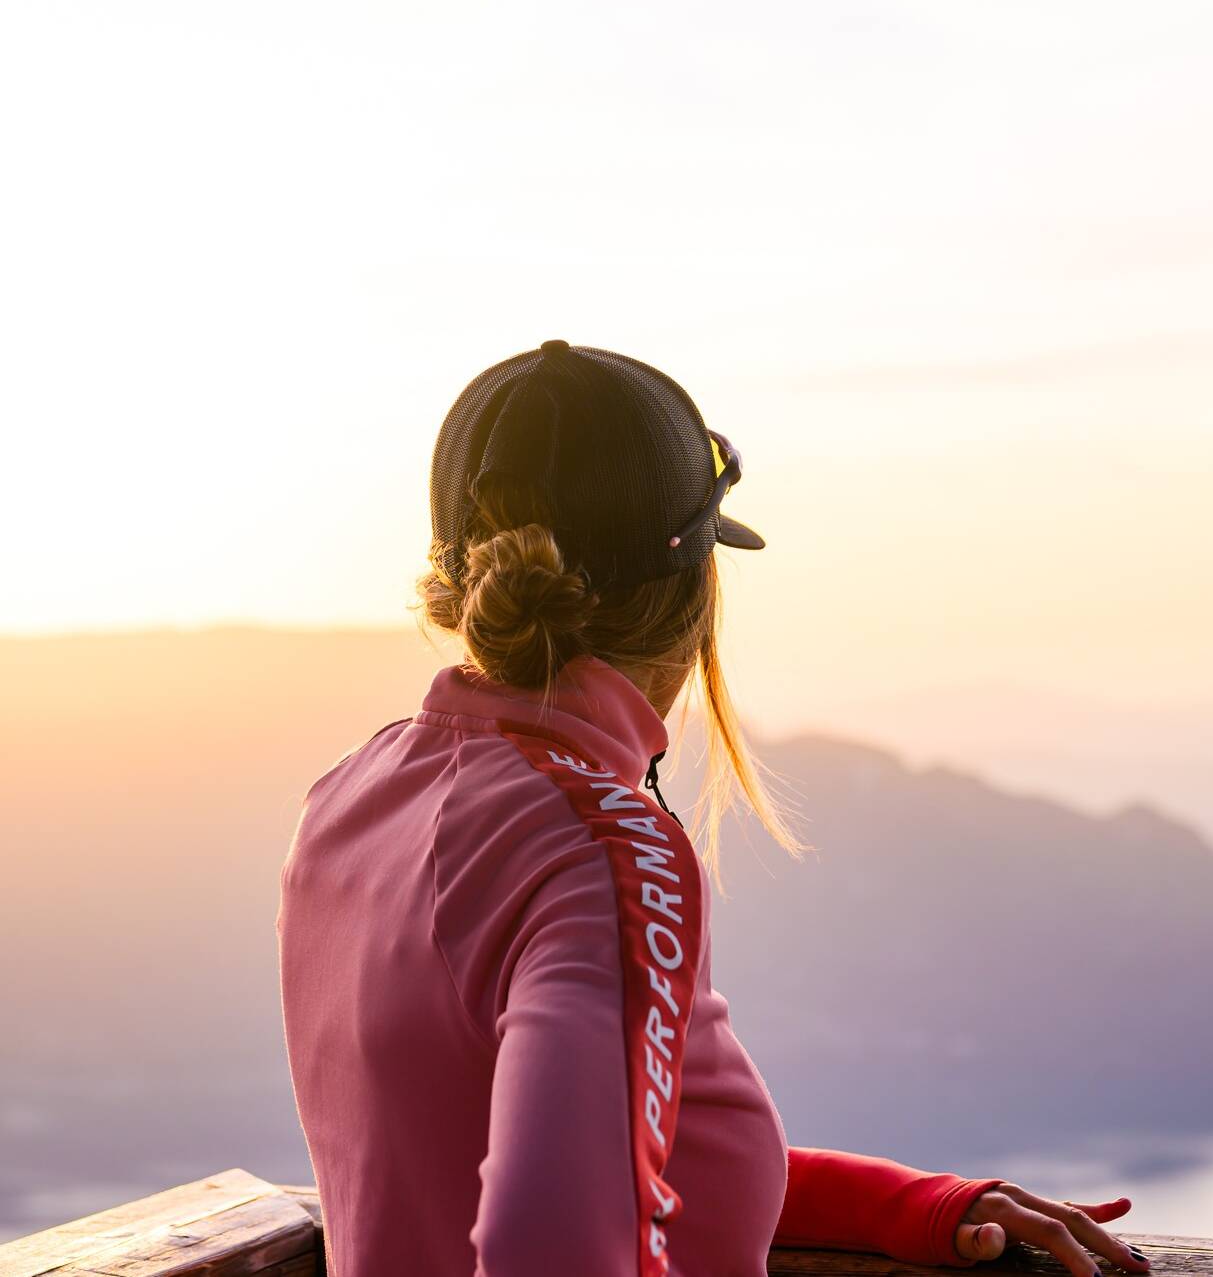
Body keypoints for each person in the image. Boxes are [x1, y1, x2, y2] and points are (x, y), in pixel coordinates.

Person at [276, 340, 1154, 1277]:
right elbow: (552, 1244)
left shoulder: (353, 795)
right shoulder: (599, 851)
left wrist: (907, 1203)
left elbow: (574, 1166)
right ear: (694, 593)